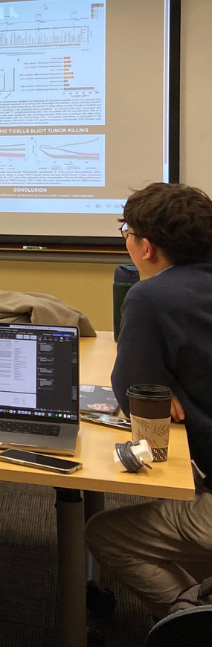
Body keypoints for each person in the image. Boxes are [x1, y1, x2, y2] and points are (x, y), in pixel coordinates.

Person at [86, 182, 212, 619]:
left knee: (106, 534)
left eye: (126, 230)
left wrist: (157, 387)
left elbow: (138, 399)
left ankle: (192, 624)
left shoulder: (153, 296)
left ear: (145, 246)